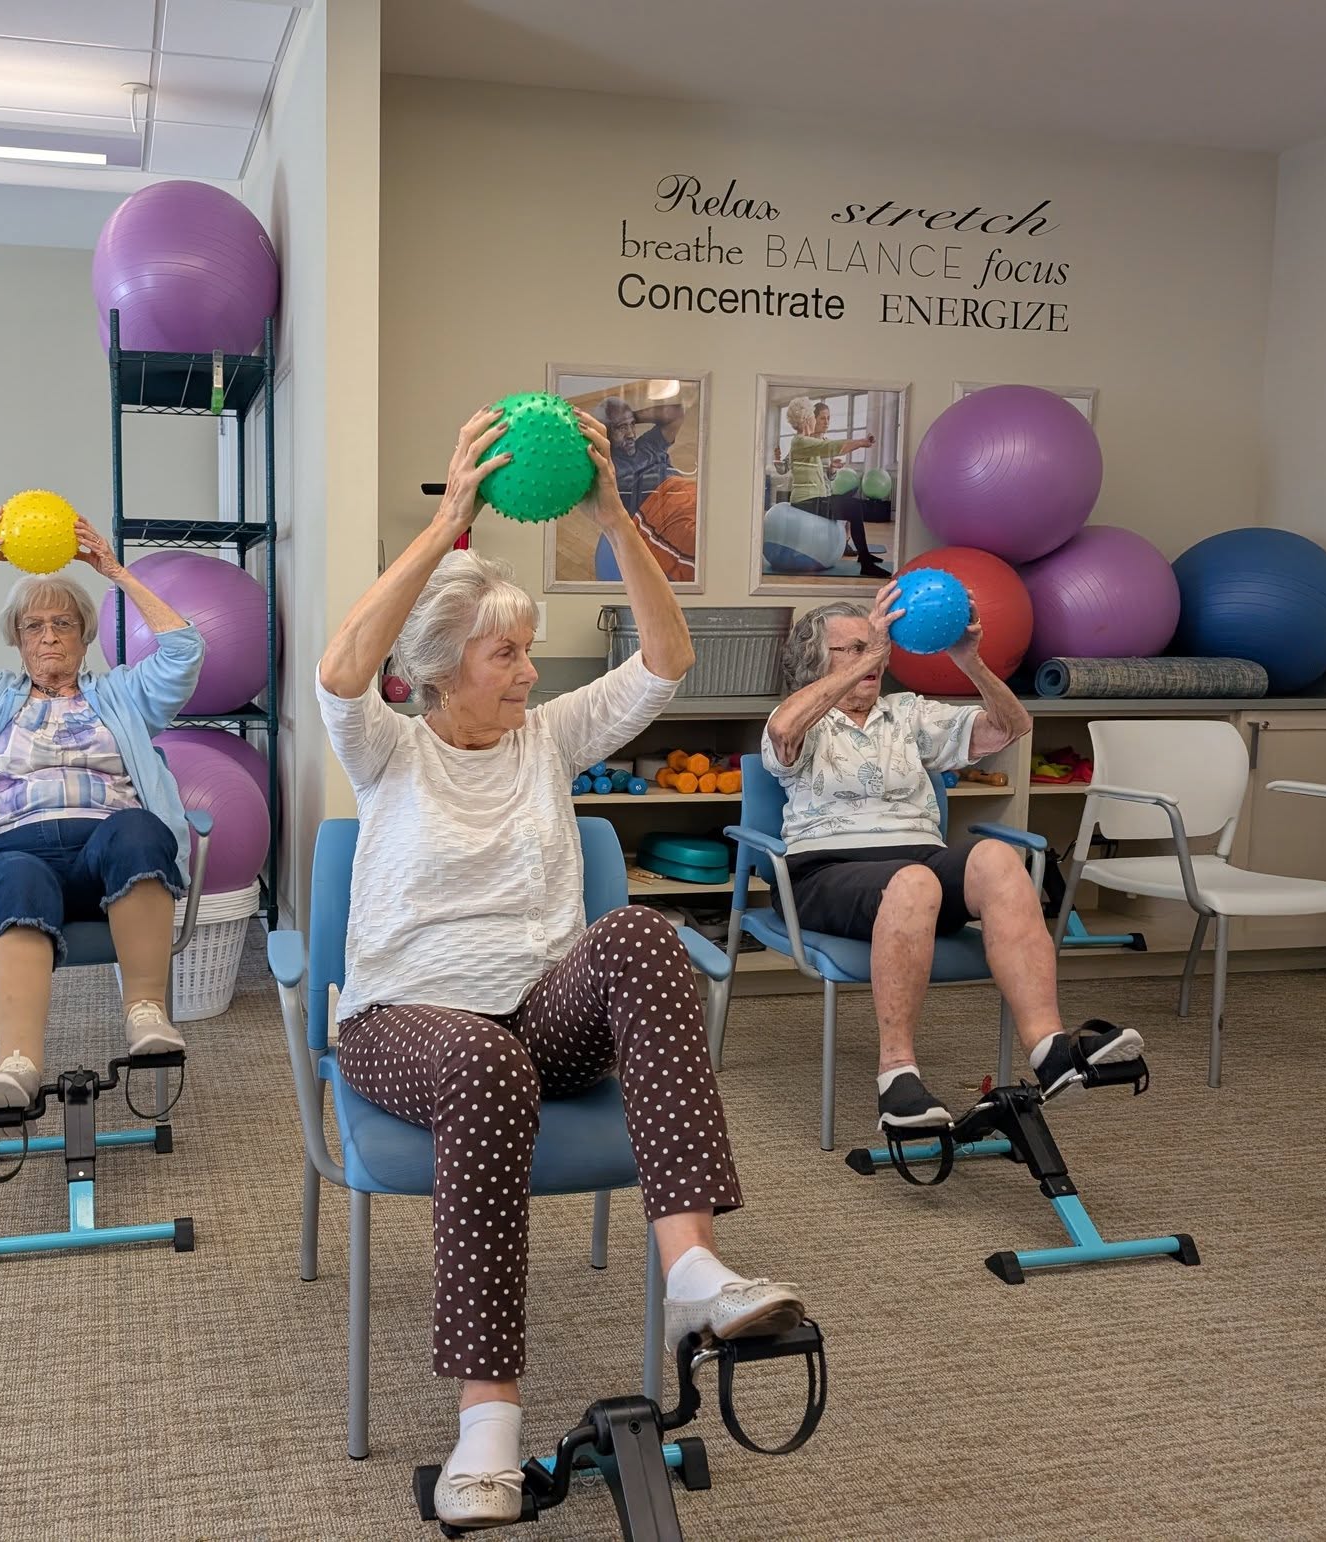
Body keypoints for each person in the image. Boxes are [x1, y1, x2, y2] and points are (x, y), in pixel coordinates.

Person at [319, 405, 805, 1528]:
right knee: (484, 1063)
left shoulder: (549, 735)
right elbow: (346, 668)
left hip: (540, 1014)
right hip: (406, 1022)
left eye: (528, 650)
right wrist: (450, 524)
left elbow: (667, 660)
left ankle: (692, 1275)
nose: (528, 671)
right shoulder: (387, 750)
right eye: (507, 653)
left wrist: (612, 517)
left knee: (635, 934)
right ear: (441, 670)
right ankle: (484, 1428)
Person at [759, 588, 1143, 1133]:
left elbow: (1011, 727)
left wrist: (971, 662)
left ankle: (1050, 1050)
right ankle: (897, 1078)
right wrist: (860, 666)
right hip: (823, 870)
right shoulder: (801, 717)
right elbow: (780, 733)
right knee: (913, 880)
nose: (872, 657)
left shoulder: (907, 712)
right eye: (851, 649)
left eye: (875, 646)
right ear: (816, 662)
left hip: (918, 861)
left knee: (996, 857)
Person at [0, 510, 203, 1110]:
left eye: (63, 623)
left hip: (102, 861)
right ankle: (17, 1065)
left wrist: (116, 573)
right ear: (17, 638)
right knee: (19, 876)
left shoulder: (122, 696)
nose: (50, 636)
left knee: (140, 829)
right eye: (34, 625)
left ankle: (146, 1016)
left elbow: (184, 651)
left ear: (86, 637)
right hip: (2, 855)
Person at [782, 397, 887, 578]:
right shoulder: (800, 442)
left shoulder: (804, 442)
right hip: (806, 500)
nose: (820, 421)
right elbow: (831, 446)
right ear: (808, 418)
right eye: (817, 417)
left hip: (816, 497)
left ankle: (865, 558)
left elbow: (823, 457)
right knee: (854, 507)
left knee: (854, 505)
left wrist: (830, 469)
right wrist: (861, 442)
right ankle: (866, 562)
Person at [598, 396, 695, 581]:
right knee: (696, 545)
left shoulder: (650, 443)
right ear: (607, 433)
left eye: (631, 425)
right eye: (621, 428)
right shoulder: (607, 465)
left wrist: (629, 416)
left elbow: (676, 413)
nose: (630, 434)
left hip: (686, 492)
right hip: (657, 512)